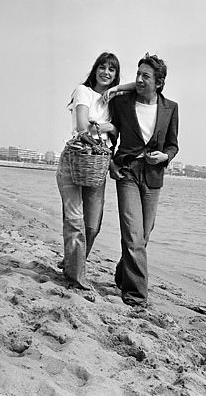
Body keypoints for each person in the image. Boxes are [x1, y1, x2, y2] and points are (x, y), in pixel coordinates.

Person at [56, 52, 134, 289]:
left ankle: (73, 262)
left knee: (92, 225)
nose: (106, 73)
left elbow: (138, 88)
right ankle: (76, 276)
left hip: (97, 166)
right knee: (74, 221)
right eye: (102, 67)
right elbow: (82, 127)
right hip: (74, 161)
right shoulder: (83, 92)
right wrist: (108, 126)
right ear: (95, 69)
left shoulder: (113, 100)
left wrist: (119, 89)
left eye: (112, 69)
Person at [109, 53, 179, 308]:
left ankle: (122, 275)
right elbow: (110, 139)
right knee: (132, 235)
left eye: (145, 76)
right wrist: (111, 163)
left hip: (153, 176)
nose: (139, 79)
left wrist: (165, 156)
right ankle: (136, 296)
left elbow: (173, 145)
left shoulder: (171, 108)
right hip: (127, 172)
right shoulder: (122, 104)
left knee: (143, 236)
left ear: (158, 82)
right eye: (137, 74)